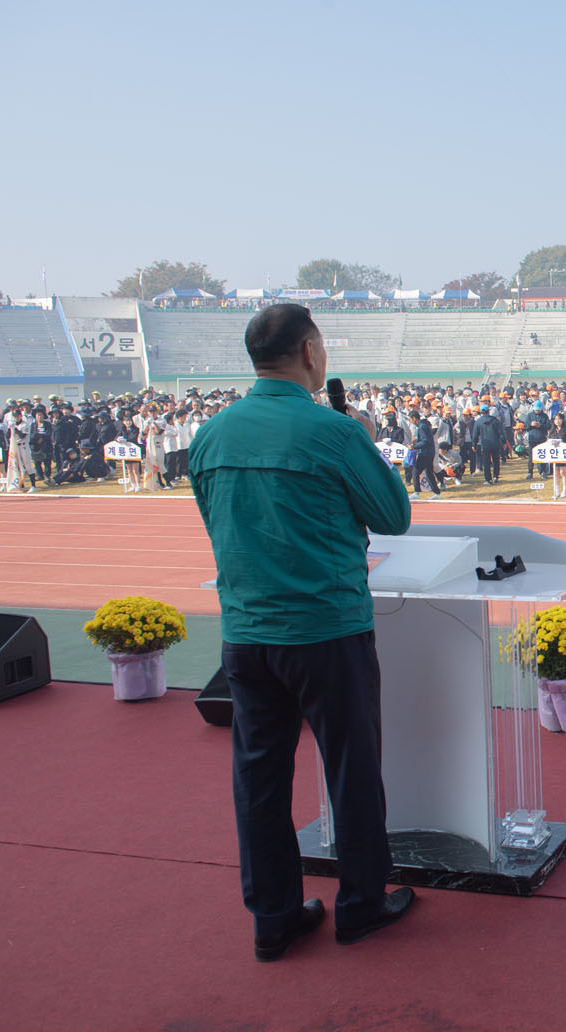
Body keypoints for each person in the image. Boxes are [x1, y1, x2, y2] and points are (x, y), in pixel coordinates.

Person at [188, 304, 415, 963]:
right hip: (326, 630)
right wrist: (363, 441)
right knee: (351, 769)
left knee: (259, 779)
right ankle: (361, 905)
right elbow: (393, 515)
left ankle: (274, 918)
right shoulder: (332, 431)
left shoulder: (212, 433)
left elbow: (215, 521)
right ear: (311, 353)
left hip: (247, 632)